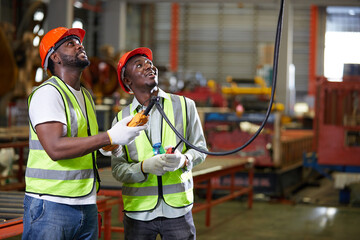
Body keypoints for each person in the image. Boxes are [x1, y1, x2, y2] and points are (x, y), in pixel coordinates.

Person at [23, 27, 147, 240]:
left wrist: (111, 146)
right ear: (55, 57)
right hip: (51, 205)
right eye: (70, 44)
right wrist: (108, 136)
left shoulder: (86, 96)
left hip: (85, 202)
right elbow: (54, 148)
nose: (80, 45)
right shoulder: (48, 93)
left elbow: (83, 141)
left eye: (78, 42)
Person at [110, 47, 207, 240]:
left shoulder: (185, 106)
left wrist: (185, 160)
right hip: (138, 213)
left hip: (178, 211)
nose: (148, 66)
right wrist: (143, 168)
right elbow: (118, 169)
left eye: (150, 64)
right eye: (139, 65)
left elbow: (200, 149)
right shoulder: (121, 119)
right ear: (128, 81)